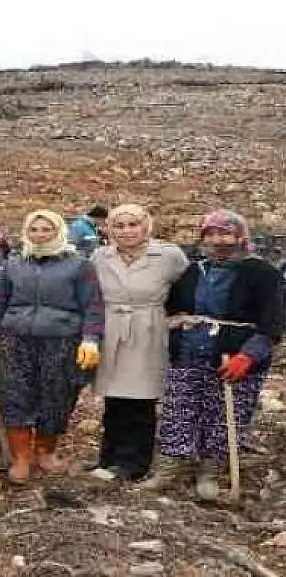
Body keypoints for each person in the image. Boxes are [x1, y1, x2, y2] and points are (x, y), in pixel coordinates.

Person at [146, 210, 284, 499]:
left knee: (224, 415)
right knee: (179, 409)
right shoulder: (197, 270)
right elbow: (174, 306)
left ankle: (209, 470)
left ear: (240, 236)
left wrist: (248, 355)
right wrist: (178, 323)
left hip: (234, 355)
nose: (219, 240)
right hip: (190, 350)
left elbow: (273, 322)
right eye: (211, 234)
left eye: (226, 233)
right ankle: (169, 467)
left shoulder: (261, 272)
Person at [0, 209, 104, 483]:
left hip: (61, 340)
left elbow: (93, 306)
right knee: (15, 395)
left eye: (47, 229)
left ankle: (45, 452)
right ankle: (21, 457)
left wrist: (91, 339)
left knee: (57, 396)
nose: (40, 235)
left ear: (59, 231)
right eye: (34, 230)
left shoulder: (79, 265)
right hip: (16, 339)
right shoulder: (13, 263)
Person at [89, 204, 188, 482]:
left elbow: (186, 288)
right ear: (109, 229)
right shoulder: (100, 256)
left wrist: (178, 316)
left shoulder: (168, 256)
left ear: (146, 226)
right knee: (114, 396)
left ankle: (134, 461)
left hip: (148, 326)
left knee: (141, 397)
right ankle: (109, 456)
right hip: (112, 326)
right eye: (119, 226)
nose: (127, 231)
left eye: (133, 224)